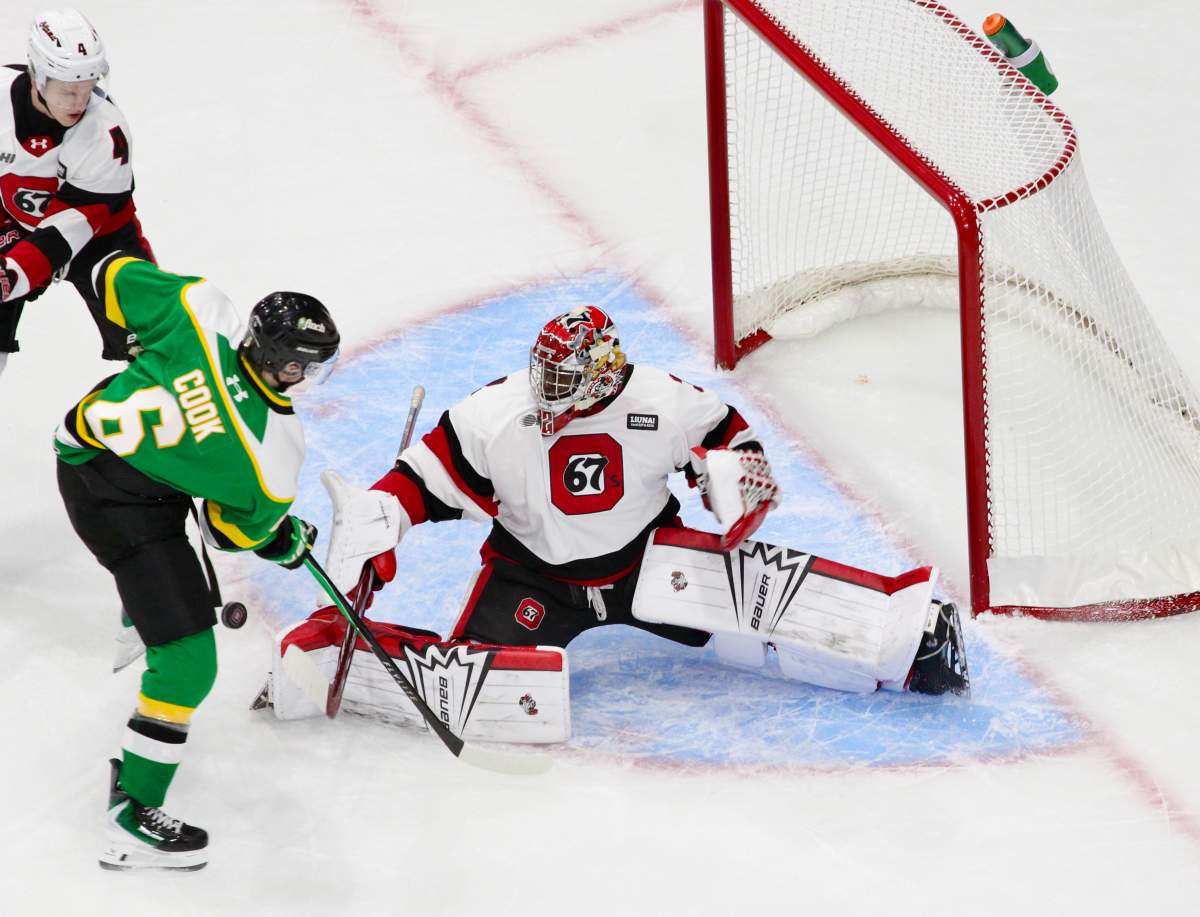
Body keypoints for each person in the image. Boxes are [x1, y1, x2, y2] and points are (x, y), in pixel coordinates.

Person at [278, 304, 967, 734]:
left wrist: (735, 476)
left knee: (759, 611)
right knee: (477, 691)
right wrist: (380, 526)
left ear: (603, 373)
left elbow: (728, 433)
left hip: (650, 566)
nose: (544, 391)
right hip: (532, 580)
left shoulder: (660, 401)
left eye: (561, 380)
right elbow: (416, 481)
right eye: (542, 375)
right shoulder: (495, 414)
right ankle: (324, 646)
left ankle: (911, 635)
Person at [54, 251, 340, 871]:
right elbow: (225, 531)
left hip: (90, 443)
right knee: (188, 662)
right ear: (282, 362)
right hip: (115, 501)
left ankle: (147, 600)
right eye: (301, 366)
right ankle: (131, 817)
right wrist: (281, 540)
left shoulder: (199, 308)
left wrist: (152, 359)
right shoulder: (273, 455)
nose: (304, 378)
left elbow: (109, 274)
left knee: (176, 575)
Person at [0, 8, 155, 375]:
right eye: (68, 91)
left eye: (86, 90)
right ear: (38, 75)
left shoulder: (107, 134)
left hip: (101, 238)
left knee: (153, 343)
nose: (78, 103)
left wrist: (12, 274)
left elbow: (66, 230)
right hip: (12, 222)